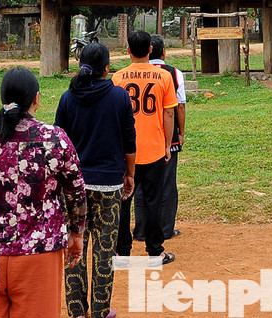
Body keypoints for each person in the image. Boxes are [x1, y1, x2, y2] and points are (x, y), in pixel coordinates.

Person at [0, 67, 87, 318]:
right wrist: (77, 233)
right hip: (40, 256)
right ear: (36, 98)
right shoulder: (55, 139)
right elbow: (76, 192)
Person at [57, 40, 138, 318]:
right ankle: (100, 311)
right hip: (109, 185)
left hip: (74, 187)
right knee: (104, 251)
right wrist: (130, 174)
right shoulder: (119, 97)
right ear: (107, 68)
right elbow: (129, 140)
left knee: (74, 245)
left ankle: (76, 310)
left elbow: (60, 142)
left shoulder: (68, 98)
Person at [112, 28, 178, 265]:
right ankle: (154, 251)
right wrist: (168, 145)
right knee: (153, 201)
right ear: (151, 50)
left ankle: (121, 252)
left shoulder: (118, 78)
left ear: (128, 50)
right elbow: (168, 114)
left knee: (123, 201)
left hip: (125, 151)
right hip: (154, 149)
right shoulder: (164, 77)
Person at [134, 34, 185, 242]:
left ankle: (140, 230)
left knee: (137, 184)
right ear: (163, 52)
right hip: (166, 136)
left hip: (137, 136)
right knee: (166, 183)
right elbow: (178, 106)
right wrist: (180, 133)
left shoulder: (127, 74)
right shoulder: (173, 73)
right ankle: (165, 229)